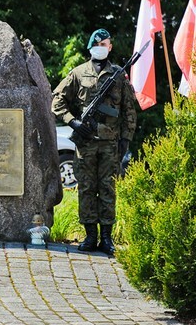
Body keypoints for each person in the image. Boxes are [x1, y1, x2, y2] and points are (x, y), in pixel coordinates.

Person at [52, 28, 137, 256]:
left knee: (107, 189)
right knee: (87, 189)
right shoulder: (78, 73)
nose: (101, 47)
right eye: (97, 44)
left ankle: (106, 238)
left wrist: (125, 140)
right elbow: (57, 101)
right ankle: (90, 236)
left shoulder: (119, 75)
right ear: (91, 47)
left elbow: (129, 110)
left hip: (110, 144)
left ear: (110, 47)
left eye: (105, 44)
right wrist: (73, 122)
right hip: (86, 143)